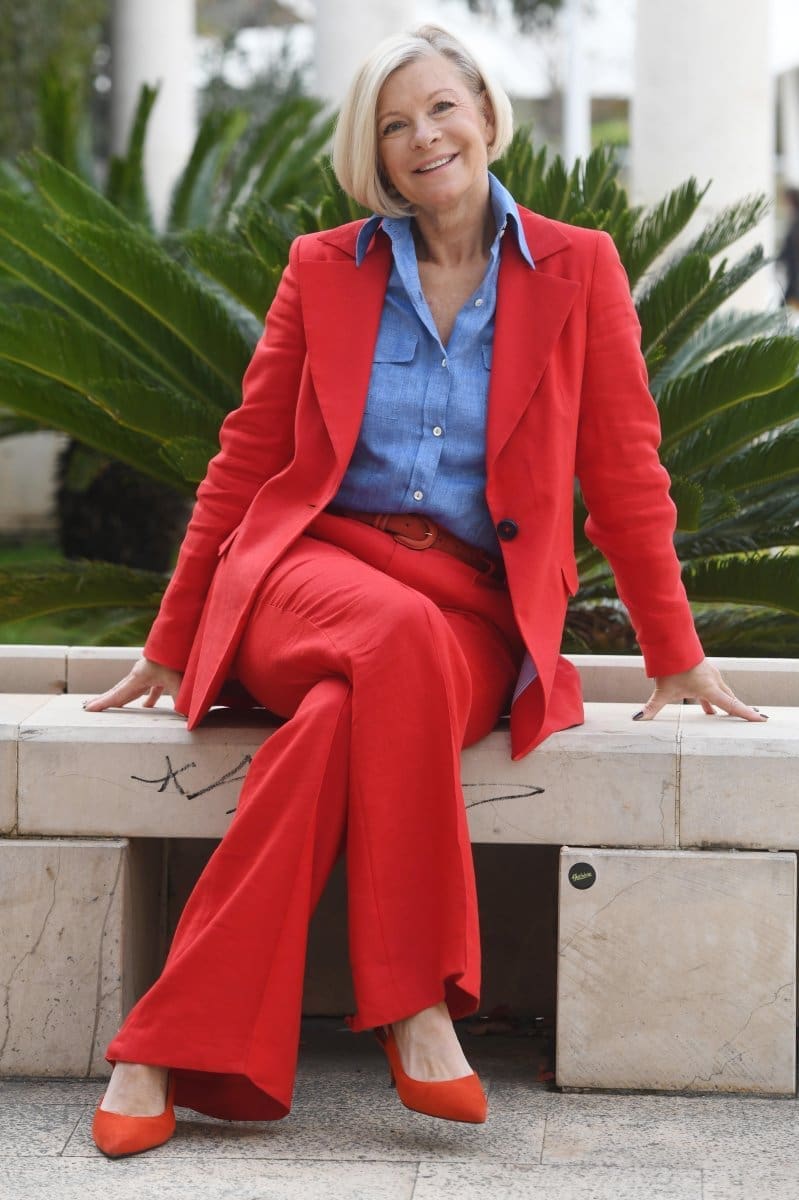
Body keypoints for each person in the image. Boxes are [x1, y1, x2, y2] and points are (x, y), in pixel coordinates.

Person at [85, 23, 765, 1159]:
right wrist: (172, 636)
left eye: (442, 107)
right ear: (375, 152)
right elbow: (246, 461)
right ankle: (414, 1001)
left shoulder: (580, 266)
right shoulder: (324, 267)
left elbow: (623, 469)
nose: (423, 137)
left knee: (334, 724)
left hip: (471, 609)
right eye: (394, 124)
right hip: (314, 573)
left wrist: (674, 651)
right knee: (385, 634)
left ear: (488, 114)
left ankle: (161, 1042)